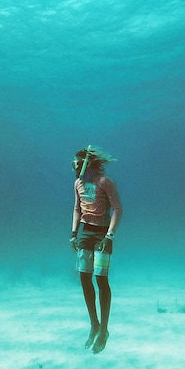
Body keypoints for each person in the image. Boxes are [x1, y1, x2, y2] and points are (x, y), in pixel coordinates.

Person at [70, 145, 122, 354]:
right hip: (85, 234)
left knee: (101, 280)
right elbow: (76, 208)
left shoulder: (104, 182)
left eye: (77, 163)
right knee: (84, 278)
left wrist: (109, 236)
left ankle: (104, 329)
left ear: (86, 164)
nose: (74, 166)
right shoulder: (78, 183)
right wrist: (73, 233)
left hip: (102, 235)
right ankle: (94, 324)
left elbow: (118, 208)